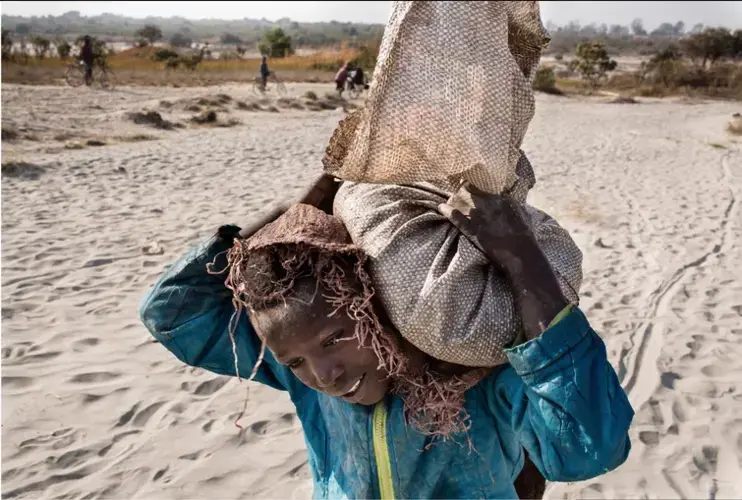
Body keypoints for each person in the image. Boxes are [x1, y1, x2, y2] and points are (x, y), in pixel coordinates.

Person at [139, 174, 634, 499]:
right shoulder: (304, 382)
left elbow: (588, 449)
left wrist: (522, 257)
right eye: (296, 362)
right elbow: (169, 312)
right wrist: (289, 214)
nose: (324, 375)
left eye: (334, 338)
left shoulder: (479, 381)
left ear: (374, 309)